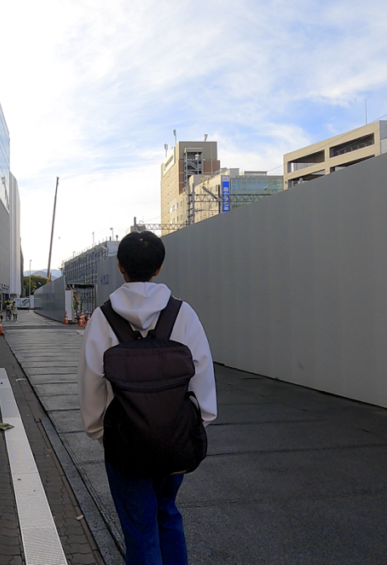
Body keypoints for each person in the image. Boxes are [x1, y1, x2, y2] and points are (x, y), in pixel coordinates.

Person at [78, 231, 217, 564]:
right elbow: (202, 376)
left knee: (140, 528)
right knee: (167, 514)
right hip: (175, 441)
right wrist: (191, 427)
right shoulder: (183, 314)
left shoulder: (103, 318)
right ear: (158, 268)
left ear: (121, 267)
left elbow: (91, 382)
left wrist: (101, 434)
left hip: (125, 443)